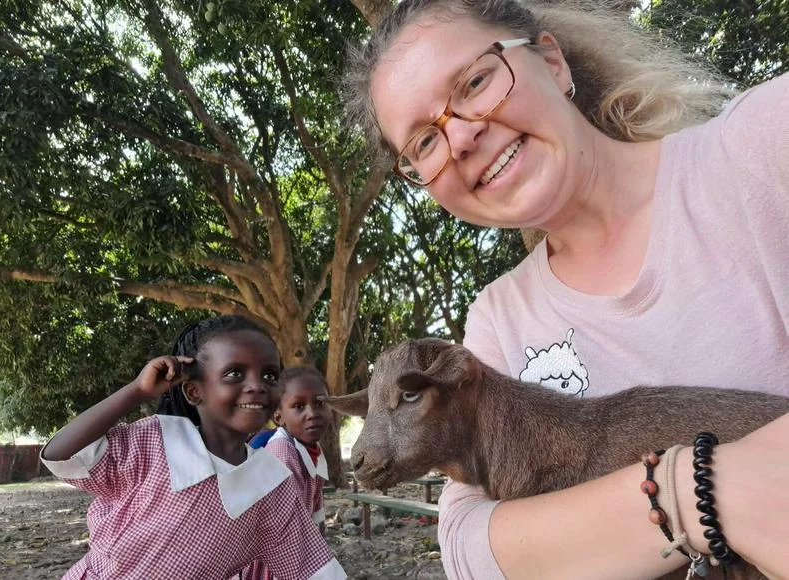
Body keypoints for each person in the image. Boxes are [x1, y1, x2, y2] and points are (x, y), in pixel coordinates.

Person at [343, 0, 789, 578]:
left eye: (476, 82)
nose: (461, 137)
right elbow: (469, 549)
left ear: (551, 62)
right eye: (424, 144)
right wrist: (689, 489)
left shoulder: (762, 147)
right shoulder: (499, 318)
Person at [40, 315, 345, 580]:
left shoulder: (271, 485)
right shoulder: (156, 441)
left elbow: (311, 568)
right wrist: (137, 391)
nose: (257, 385)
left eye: (269, 375)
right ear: (194, 390)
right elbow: (62, 455)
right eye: (235, 373)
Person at [240, 367, 333, 580]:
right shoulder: (282, 454)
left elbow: (316, 515)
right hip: (275, 560)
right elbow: (283, 533)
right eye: (298, 406)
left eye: (320, 403)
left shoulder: (313, 450)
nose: (312, 413)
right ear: (278, 416)